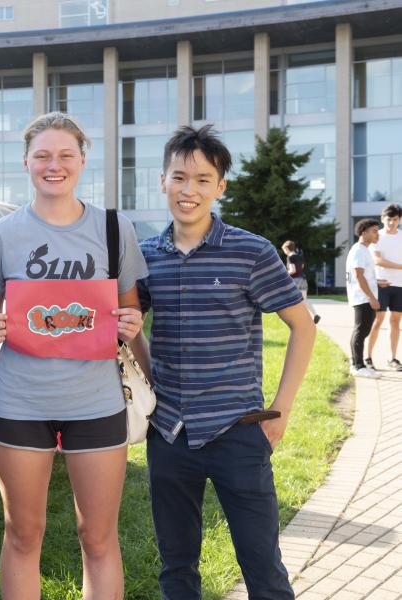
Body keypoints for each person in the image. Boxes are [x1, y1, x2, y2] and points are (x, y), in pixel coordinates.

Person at [131, 125, 316, 600]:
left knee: (263, 567)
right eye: (179, 178)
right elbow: (131, 329)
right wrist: (150, 383)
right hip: (168, 433)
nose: (188, 190)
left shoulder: (251, 251)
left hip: (239, 431)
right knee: (177, 568)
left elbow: (303, 326)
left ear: (220, 186)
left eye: (202, 179)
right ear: (162, 181)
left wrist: (283, 409)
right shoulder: (145, 257)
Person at [0, 112, 147, 599]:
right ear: (25, 162)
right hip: (21, 403)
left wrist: (131, 323)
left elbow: (130, 309)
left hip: (96, 402)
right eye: (43, 155)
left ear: (83, 160)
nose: (54, 165)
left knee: (98, 536)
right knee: (23, 535)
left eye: (65, 155)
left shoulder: (114, 227)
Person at [367, 203, 402, 371]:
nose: (391, 223)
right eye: (388, 219)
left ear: (399, 220)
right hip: (381, 284)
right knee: (377, 321)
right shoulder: (377, 237)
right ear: (382, 219)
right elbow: (378, 260)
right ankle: (368, 357)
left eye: (394, 220)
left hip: (400, 286)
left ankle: (392, 358)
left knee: (395, 321)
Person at [347, 219, 382, 379]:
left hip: (364, 297)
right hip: (362, 298)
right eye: (374, 230)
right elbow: (358, 275)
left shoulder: (363, 250)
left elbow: (364, 275)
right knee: (360, 331)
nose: (377, 234)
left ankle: (357, 364)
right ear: (363, 232)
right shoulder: (359, 250)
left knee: (363, 331)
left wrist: (378, 283)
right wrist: (371, 297)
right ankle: (358, 366)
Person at [281, 240, 321, 324]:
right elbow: (301, 268)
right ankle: (315, 315)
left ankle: (294, 318)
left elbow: (292, 270)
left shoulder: (290, 257)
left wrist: (285, 274)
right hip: (303, 279)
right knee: (304, 300)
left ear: (287, 249)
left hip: (295, 280)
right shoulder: (300, 257)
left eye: (284, 250)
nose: (284, 252)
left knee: (291, 299)